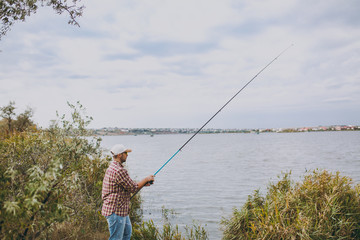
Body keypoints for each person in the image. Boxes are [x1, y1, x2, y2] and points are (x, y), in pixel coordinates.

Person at [101, 144, 155, 240]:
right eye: (125, 153)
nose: (127, 155)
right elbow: (133, 188)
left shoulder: (113, 167)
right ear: (119, 155)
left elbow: (128, 185)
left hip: (120, 210)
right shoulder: (119, 171)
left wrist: (143, 183)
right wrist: (146, 179)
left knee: (126, 235)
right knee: (116, 238)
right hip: (115, 211)